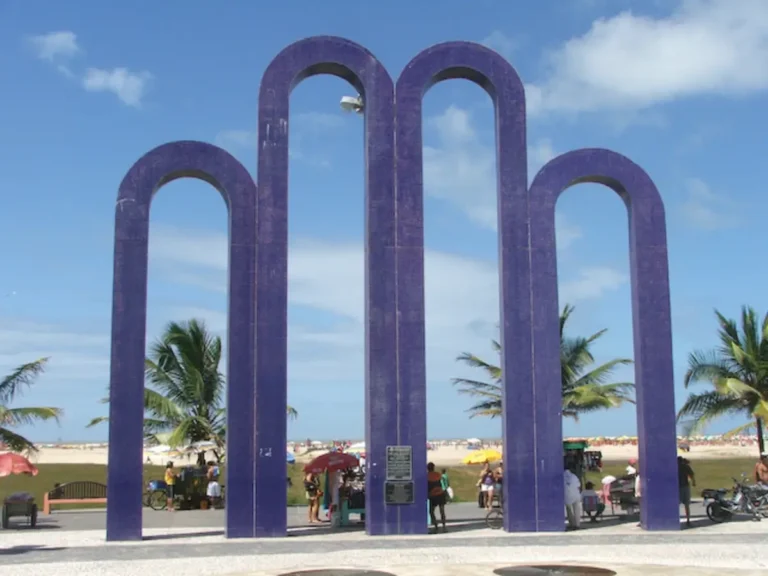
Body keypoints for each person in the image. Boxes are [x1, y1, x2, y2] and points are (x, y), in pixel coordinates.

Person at [427, 462, 447, 533]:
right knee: (442, 511)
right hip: (440, 494)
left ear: (427, 468)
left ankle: (436, 526)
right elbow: (443, 484)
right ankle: (444, 526)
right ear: (433, 467)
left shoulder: (426, 476)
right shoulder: (438, 474)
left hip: (433, 495)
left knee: (431, 511)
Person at [678, 456, 695, 528]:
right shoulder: (685, 466)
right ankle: (688, 520)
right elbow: (691, 475)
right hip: (685, 486)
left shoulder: (675, 467)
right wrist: (694, 482)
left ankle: (676, 519)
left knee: (677, 505)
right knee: (687, 505)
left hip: (678, 487)